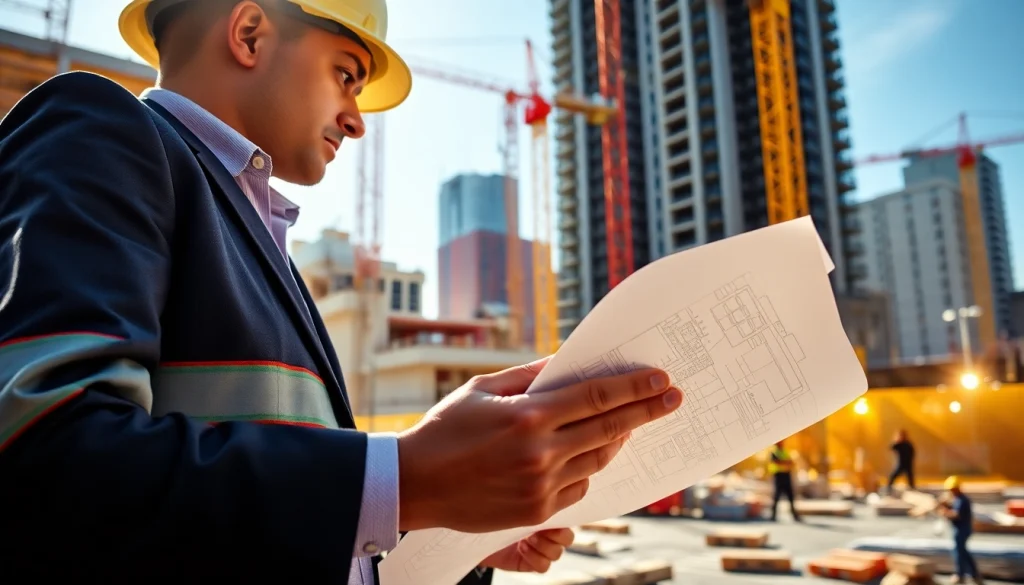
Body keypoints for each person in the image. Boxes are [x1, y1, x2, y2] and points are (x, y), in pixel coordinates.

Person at [0, 0, 685, 582]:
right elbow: (46, 463)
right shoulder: (99, 128)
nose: (357, 119)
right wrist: (408, 479)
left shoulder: (262, 247)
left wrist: (436, 522)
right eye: (347, 75)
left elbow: (236, 524)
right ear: (248, 34)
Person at [938, 476, 983, 584]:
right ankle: (974, 574)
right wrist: (946, 506)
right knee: (963, 552)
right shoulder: (958, 499)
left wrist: (945, 512)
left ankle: (960, 575)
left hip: (962, 530)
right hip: (961, 529)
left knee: (959, 553)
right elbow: (953, 509)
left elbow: (956, 515)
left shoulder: (962, 500)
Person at [768, 440, 802, 522]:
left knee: (790, 496)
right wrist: (786, 462)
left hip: (786, 476)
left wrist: (786, 462)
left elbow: (791, 462)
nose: (781, 444)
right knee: (776, 497)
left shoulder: (785, 452)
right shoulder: (774, 453)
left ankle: (794, 515)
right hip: (778, 476)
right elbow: (778, 462)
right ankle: (773, 516)